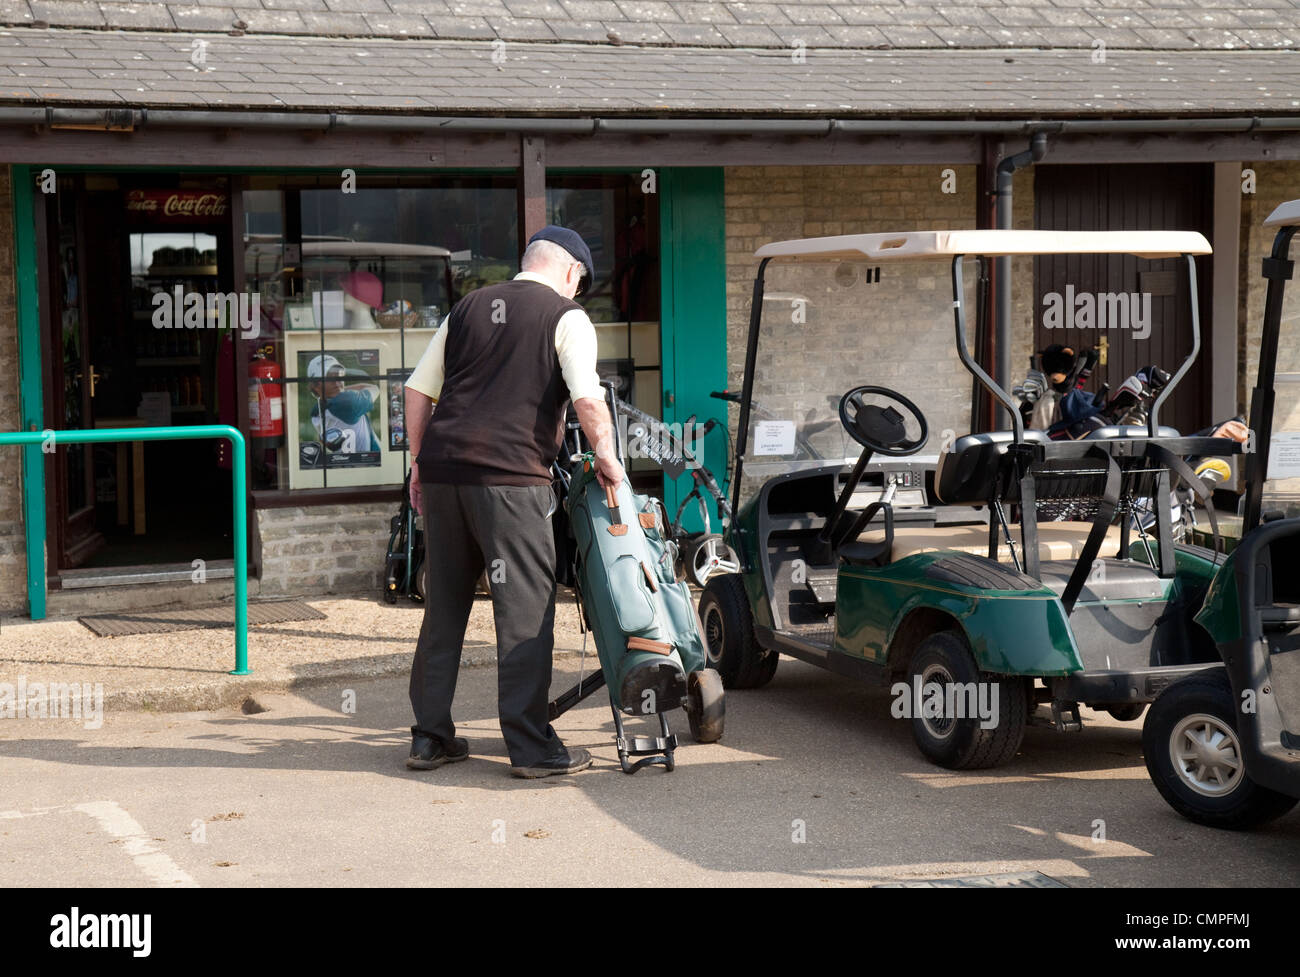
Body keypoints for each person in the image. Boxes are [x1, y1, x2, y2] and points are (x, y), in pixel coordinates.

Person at [402, 226, 625, 778]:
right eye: (581, 282)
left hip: (445, 473)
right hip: (512, 481)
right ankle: (530, 749)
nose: (579, 292)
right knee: (524, 612)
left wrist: (417, 461)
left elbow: (416, 389)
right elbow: (588, 401)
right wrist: (609, 460)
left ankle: (430, 738)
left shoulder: (469, 308)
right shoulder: (565, 316)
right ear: (571, 271)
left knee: (444, 607)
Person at [306, 354, 381, 455]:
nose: (337, 381)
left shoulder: (316, 411)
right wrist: (342, 389)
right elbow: (374, 388)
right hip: (370, 463)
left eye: (339, 375)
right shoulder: (348, 402)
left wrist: (339, 390)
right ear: (316, 385)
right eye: (329, 378)